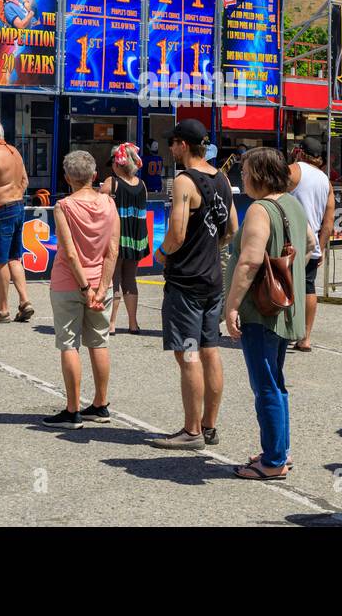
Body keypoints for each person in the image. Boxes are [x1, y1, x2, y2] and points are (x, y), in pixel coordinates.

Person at [224, 148, 314, 479]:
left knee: (265, 386)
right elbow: (309, 246)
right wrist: (285, 283)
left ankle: (274, 461)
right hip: (282, 310)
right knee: (276, 382)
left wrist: (232, 305)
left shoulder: (260, 210)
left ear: (260, 175)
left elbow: (249, 260)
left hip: (259, 312)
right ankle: (279, 450)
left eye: (245, 172)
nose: (242, 177)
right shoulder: (292, 204)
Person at [152, 119, 236, 450]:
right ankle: (209, 426)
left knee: (188, 354)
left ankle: (191, 431)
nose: (170, 148)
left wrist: (162, 253)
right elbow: (231, 227)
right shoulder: (222, 178)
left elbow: (176, 233)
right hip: (213, 279)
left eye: (172, 142)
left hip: (186, 281)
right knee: (210, 351)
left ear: (184, 145)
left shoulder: (185, 182)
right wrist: (210, 249)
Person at [43, 150, 119, 427]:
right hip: (101, 281)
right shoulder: (109, 204)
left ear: (67, 178)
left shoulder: (64, 206)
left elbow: (70, 253)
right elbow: (112, 250)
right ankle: (100, 403)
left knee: (69, 344)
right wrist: (100, 288)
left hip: (68, 282)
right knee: (99, 342)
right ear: (94, 176)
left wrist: (85, 287)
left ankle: (72, 409)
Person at [0, 118, 33, 324]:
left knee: (0, 260)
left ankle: (2, 310)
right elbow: (25, 181)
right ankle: (25, 301)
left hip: (1, 210)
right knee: (14, 257)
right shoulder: (15, 152)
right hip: (18, 206)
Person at [287, 136, 334, 352]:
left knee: (281, 284)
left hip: (289, 242)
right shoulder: (325, 180)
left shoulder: (293, 170)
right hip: (313, 242)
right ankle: (305, 337)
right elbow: (329, 220)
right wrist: (321, 247)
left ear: (299, 151)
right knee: (308, 286)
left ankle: (284, 330)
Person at [100, 143, 147, 336]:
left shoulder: (112, 182)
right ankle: (133, 323)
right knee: (130, 278)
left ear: (118, 164)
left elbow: (98, 205)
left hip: (117, 236)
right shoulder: (141, 184)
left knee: (115, 278)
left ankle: (111, 324)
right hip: (136, 237)